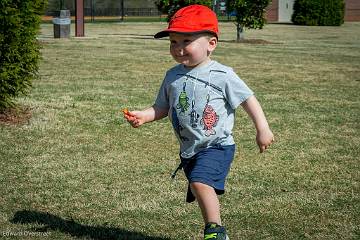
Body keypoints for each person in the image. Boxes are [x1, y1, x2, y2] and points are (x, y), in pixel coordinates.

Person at [123, 4, 274, 240]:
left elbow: (248, 99)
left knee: (200, 181)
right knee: (198, 185)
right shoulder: (172, 75)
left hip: (217, 145)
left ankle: (215, 231)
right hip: (189, 149)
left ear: (211, 44)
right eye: (173, 41)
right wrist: (144, 115)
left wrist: (262, 128)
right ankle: (213, 227)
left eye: (186, 41)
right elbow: (162, 107)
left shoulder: (222, 74)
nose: (178, 48)